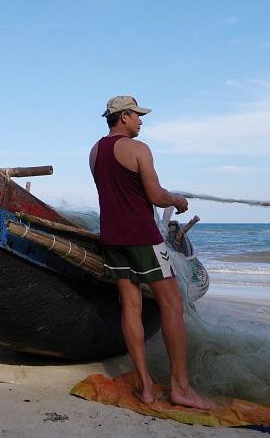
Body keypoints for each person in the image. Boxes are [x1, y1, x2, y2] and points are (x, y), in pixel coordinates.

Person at [90, 95, 214, 409]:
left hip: (112, 238)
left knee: (130, 306)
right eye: (137, 115)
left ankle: (145, 387)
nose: (141, 121)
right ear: (123, 117)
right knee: (172, 303)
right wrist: (177, 200)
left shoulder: (95, 152)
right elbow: (156, 196)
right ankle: (180, 388)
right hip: (142, 238)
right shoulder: (139, 149)